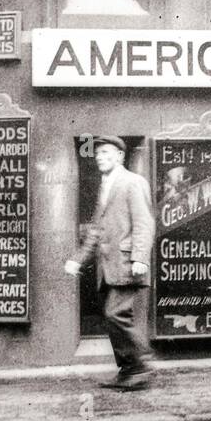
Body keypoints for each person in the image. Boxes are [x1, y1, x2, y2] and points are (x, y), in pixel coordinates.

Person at [65, 136, 156, 390]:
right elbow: (95, 230)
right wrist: (78, 260)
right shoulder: (105, 186)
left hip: (127, 263)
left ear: (120, 156)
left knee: (115, 314)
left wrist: (139, 257)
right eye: (97, 154)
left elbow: (144, 222)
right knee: (113, 317)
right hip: (108, 267)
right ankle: (129, 371)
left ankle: (141, 364)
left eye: (106, 152)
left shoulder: (133, 182)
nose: (100, 157)